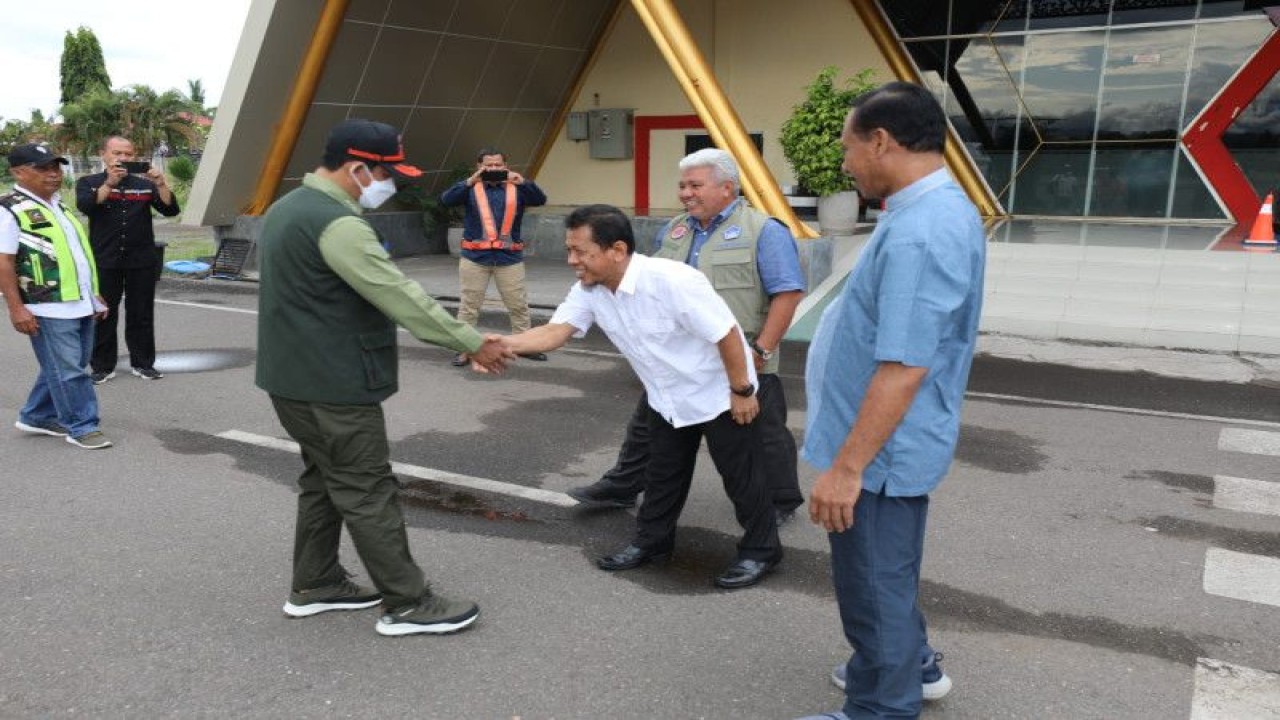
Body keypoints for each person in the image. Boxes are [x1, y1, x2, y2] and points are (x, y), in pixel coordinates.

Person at [255, 119, 513, 637]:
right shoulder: (338, 224)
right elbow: (397, 294)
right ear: (357, 168)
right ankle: (408, 602)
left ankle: (316, 583)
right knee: (367, 487)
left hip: (293, 379)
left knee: (324, 481)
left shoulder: (286, 209)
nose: (390, 183)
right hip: (333, 386)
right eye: (386, 173)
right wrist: (472, 341)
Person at [796, 82, 984, 720]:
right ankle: (911, 664)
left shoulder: (922, 231)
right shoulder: (919, 210)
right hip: (883, 446)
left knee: (872, 590)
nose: (846, 163)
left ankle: (881, 707)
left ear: (881, 141)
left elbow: (904, 368)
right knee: (888, 577)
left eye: (849, 148)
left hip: (878, 458)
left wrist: (847, 470)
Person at [499, 204, 782, 589]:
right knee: (662, 476)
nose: (572, 260)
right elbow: (556, 331)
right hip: (666, 397)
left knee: (742, 479)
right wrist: (501, 343)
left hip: (720, 393)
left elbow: (726, 334)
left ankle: (761, 552)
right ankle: (652, 544)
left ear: (617, 249)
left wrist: (743, 391)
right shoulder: (590, 290)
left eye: (581, 251)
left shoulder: (671, 281)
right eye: (570, 250)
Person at [566, 149, 807, 525]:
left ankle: (779, 501)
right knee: (647, 426)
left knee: (762, 431)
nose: (685, 193)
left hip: (739, 352)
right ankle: (624, 485)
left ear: (727, 188)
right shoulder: (675, 229)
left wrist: (761, 350)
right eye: (682, 185)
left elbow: (788, 293)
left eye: (695, 185)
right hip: (677, 355)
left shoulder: (764, 230)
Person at [0, 143, 112, 450]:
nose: (53, 174)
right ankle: (82, 426)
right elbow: (3, 262)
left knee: (66, 365)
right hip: (46, 304)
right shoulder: (8, 208)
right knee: (70, 370)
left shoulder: (57, 205)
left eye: (56, 167)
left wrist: (93, 294)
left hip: (79, 300)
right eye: (42, 168)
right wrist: (16, 308)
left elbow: (75, 255)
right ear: (18, 172)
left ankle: (36, 415)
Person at [75, 135, 181, 383]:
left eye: (128, 154)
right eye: (117, 153)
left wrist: (161, 183)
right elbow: (87, 206)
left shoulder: (144, 184)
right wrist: (110, 183)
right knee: (103, 314)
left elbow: (170, 210)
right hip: (105, 259)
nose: (123, 158)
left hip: (141, 259)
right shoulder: (88, 182)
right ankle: (102, 366)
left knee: (141, 313)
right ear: (103, 154)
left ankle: (143, 364)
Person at [440, 147, 548, 366]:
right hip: (474, 258)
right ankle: (465, 349)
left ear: (505, 166)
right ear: (479, 167)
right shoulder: (470, 187)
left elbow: (540, 199)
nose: (493, 168)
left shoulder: (516, 187)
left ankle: (525, 345)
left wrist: (523, 181)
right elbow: (446, 200)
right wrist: (469, 181)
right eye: (488, 165)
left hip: (509, 258)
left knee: (518, 305)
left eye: (498, 165)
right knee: (469, 306)